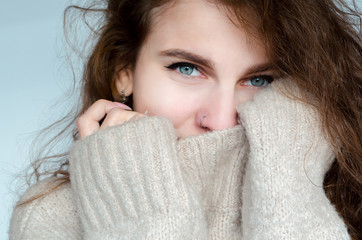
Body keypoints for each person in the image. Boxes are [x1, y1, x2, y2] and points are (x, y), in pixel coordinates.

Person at [9, 0, 361, 239]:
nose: (221, 119)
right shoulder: (52, 216)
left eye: (260, 80)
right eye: (188, 68)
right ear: (124, 73)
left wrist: (292, 179)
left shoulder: (344, 196)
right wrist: (142, 213)